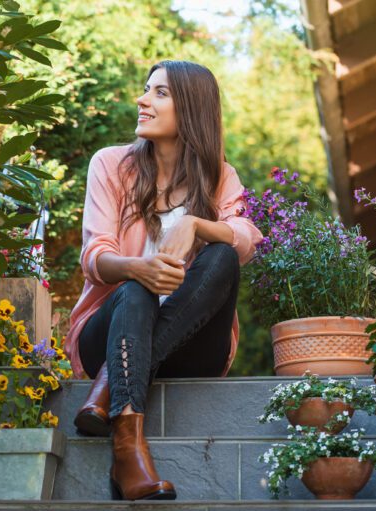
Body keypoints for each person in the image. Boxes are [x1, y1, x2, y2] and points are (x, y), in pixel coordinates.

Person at [63, 60, 263, 501]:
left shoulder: (220, 177)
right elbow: (94, 257)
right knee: (134, 289)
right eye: (146, 89)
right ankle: (127, 449)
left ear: (190, 109)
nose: (142, 100)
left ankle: (109, 389)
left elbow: (248, 239)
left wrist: (196, 223)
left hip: (192, 347)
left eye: (159, 93)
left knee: (222, 256)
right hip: (110, 336)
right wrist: (139, 269)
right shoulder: (111, 165)